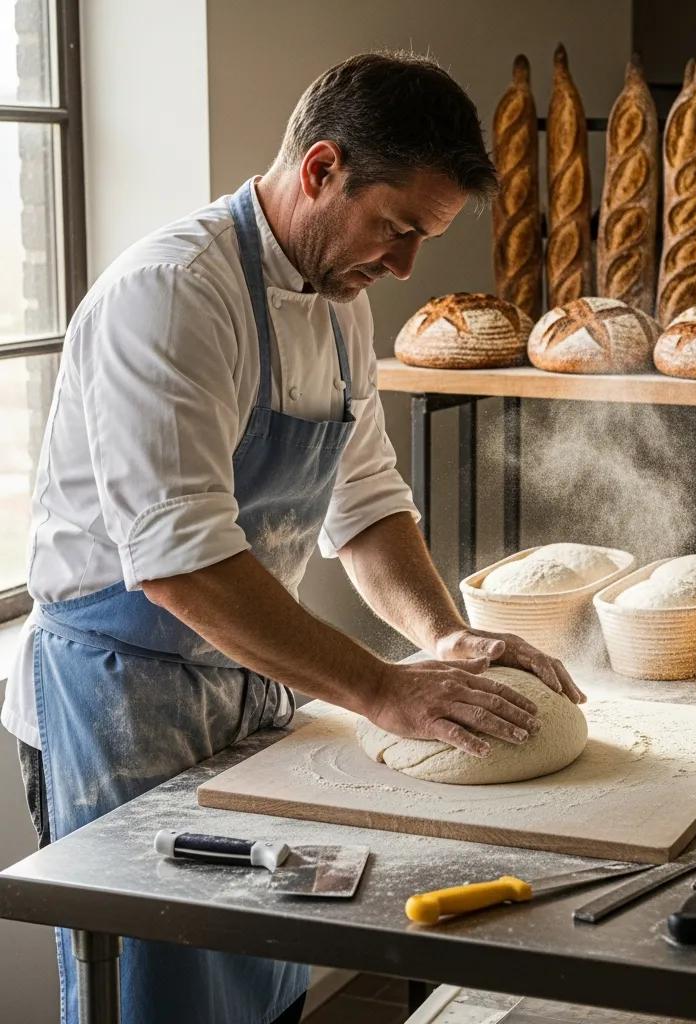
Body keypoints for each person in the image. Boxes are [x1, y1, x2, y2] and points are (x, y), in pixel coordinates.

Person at [2, 51, 582, 1024]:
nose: (402, 267)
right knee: (163, 989)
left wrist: (441, 636)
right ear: (320, 169)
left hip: (247, 677)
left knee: (267, 963)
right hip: (121, 691)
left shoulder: (341, 305)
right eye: (396, 229)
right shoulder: (175, 293)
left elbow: (364, 498)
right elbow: (182, 564)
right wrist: (381, 687)